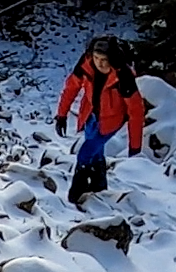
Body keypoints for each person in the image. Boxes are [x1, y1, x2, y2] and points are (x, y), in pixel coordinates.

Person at [53, 36, 145, 203]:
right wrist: (61, 114)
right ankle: (99, 186)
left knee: (85, 153)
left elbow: (136, 111)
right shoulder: (86, 64)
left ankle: (76, 193)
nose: (99, 63)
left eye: (104, 60)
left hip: (112, 120)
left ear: (112, 59)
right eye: (96, 58)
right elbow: (71, 87)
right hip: (90, 114)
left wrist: (135, 145)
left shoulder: (123, 75)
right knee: (96, 153)